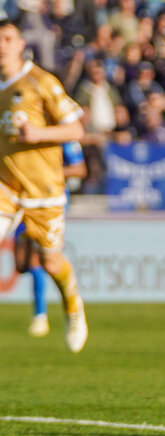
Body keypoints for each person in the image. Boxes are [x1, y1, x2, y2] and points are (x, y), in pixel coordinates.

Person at [0, 18, 88, 352]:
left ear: (21, 44)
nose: (2, 45)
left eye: (8, 39)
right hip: (5, 186)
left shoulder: (40, 82)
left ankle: (72, 303)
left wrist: (40, 134)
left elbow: (76, 130)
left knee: (50, 263)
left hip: (44, 190)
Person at [17, 139, 86, 337]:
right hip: (20, 197)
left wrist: (44, 174)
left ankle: (40, 315)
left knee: (41, 258)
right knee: (22, 263)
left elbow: (79, 169)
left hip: (48, 201)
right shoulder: (17, 123)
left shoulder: (59, 130)